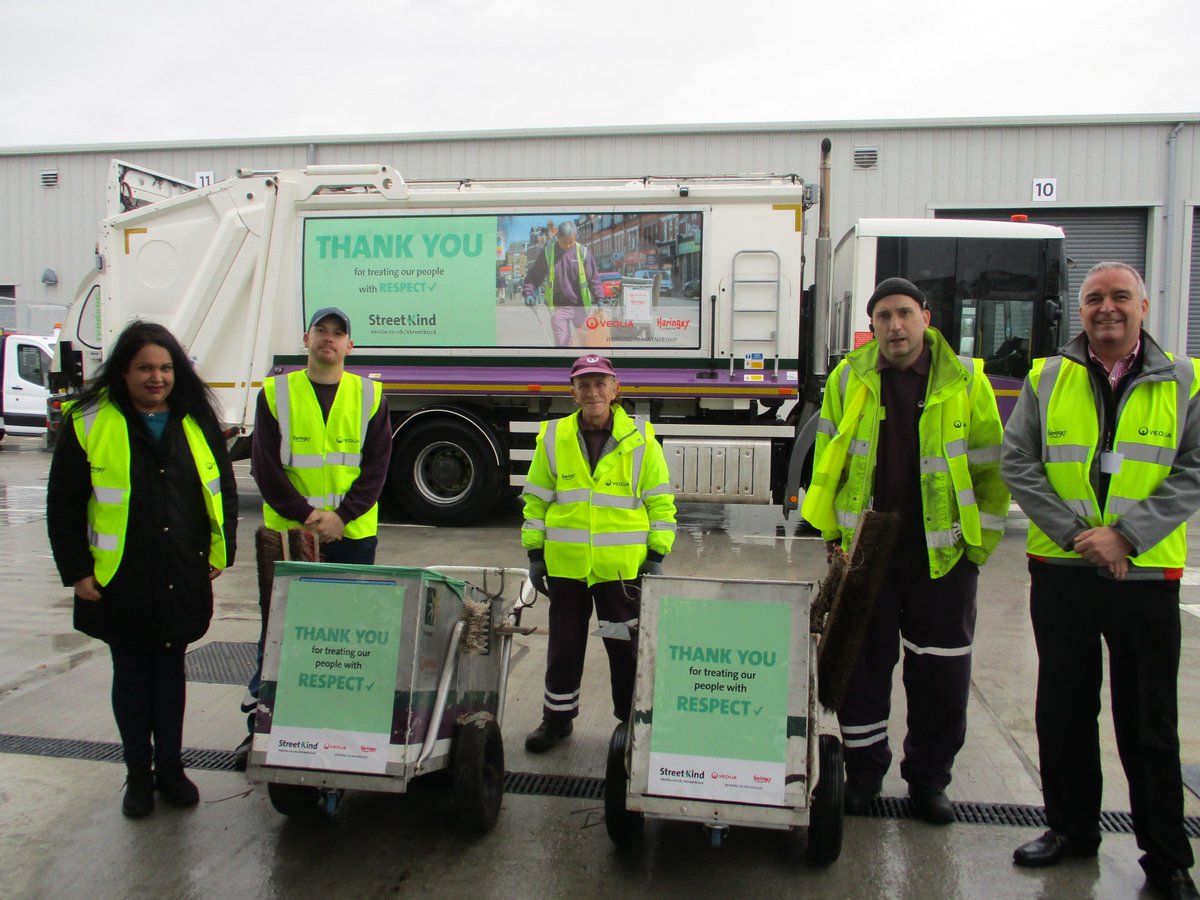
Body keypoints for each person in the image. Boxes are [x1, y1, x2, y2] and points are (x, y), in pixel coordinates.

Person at [1002, 262, 1199, 898]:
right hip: (1063, 571)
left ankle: (1167, 858)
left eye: (1120, 297)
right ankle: (1070, 831)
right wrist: (1079, 537)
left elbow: (1193, 470)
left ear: (1144, 305)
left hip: (1145, 577)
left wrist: (1127, 536)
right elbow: (1019, 462)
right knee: (1062, 710)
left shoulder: (1187, 381)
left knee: (1147, 722)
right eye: (1094, 299)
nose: (1106, 308)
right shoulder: (1048, 376)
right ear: (1080, 310)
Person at [801, 277, 1009, 824]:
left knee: (940, 673)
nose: (895, 326)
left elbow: (992, 467)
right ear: (872, 326)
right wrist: (834, 536)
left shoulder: (966, 380)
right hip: (867, 551)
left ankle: (928, 781)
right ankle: (865, 774)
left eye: (904, 314)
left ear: (926, 317)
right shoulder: (850, 377)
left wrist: (978, 547)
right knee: (861, 669)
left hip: (942, 555)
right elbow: (830, 457)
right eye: (884, 317)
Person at [46, 321, 238, 817]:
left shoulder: (194, 420)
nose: (158, 378)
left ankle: (171, 770)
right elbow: (64, 505)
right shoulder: (89, 421)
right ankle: (138, 774)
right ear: (124, 372)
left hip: (181, 569)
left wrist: (220, 553)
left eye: (166, 368)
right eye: (146, 368)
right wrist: (78, 573)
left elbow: (224, 492)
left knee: (171, 672)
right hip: (120, 577)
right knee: (131, 673)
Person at [234, 306, 392, 768]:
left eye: (337, 333)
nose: (328, 338)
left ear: (349, 345)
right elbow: (264, 467)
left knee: (348, 639)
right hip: (290, 537)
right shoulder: (275, 393)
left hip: (352, 537)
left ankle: (340, 737)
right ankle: (260, 733)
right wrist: (307, 515)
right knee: (280, 637)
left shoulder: (370, 396)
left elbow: (377, 467)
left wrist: (341, 517)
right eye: (320, 331)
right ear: (305, 339)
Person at [521, 354, 676, 752]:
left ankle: (631, 724)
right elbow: (536, 499)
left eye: (600, 383)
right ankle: (556, 720)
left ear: (615, 389)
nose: (593, 392)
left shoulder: (640, 438)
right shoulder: (553, 437)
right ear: (572, 393)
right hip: (567, 569)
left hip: (619, 572)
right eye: (584, 384)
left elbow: (659, 500)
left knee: (623, 648)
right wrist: (535, 553)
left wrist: (656, 555)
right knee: (564, 646)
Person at [522, 220, 606, 347]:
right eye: (564, 242)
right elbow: (533, 277)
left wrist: (599, 297)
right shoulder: (548, 253)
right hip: (559, 307)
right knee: (562, 344)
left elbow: (593, 278)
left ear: (575, 238)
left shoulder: (583, 252)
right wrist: (528, 293)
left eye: (571, 242)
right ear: (558, 238)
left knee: (585, 343)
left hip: (581, 306)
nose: (568, 246)